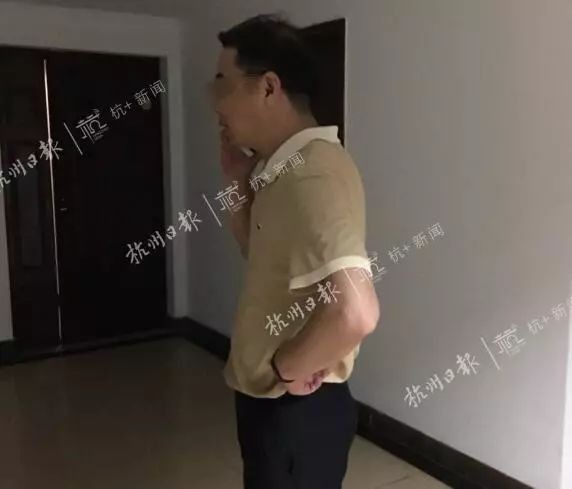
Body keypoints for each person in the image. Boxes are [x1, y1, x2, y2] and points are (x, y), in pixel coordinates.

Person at [209, 13, 381, 489]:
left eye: (224, 84)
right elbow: (264, 259)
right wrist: (236, 181)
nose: (216, 103)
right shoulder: (282, 171)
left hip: (296, 408)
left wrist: (287, 367)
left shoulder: (313, 174)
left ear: (268, 87)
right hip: (278, 403)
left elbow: (357, 311)